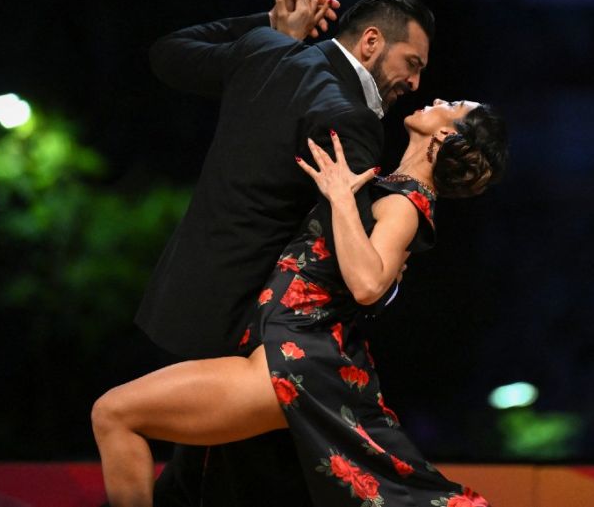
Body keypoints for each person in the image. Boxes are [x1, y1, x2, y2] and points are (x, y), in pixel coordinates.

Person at [93, 99, 507, 507]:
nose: (436, 99)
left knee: (114, 414)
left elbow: (367, 284)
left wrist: (341, 197)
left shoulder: (405, 203)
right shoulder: (395, 191)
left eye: (451, 105)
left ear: (445, 133)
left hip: (288, 361)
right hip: (288, 354)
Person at [131, 0, 435, 505]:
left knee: (209, 479)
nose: (414, 81)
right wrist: (387, 281)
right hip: (257, 326)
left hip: (189, 296)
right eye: (412, 63)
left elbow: (168, 53)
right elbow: (352, 257)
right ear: (370, 42)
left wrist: (267, 25)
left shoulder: (269, 51)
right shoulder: (352, 116)